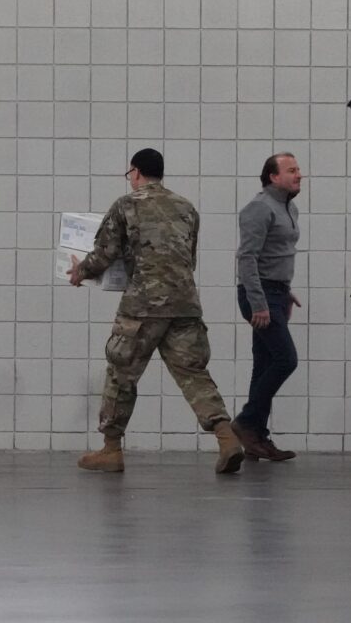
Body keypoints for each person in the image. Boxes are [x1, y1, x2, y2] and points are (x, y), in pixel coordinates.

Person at [66, 148, 244, 475]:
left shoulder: (126, 205)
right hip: (185, 302)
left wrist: (80, 272)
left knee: (122, 371)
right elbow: (188, 258)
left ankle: (110, 449)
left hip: (143, 305)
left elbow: (105, 253)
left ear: (135, 172)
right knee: (193, 372)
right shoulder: (186, 208)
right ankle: (226, 438)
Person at [231, 153, 303, 462]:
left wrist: (285, 293)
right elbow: (247, 258)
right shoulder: (259, 208)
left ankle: (256, 438)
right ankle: (247, 422)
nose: (299, 174)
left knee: (263, 365)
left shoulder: (288, 207)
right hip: (258, 296)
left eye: (298, 169)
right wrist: (260, 303)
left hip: (275, 293)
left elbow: (278, 254)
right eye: (291, 170)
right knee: (285, 360)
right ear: (273, 177)